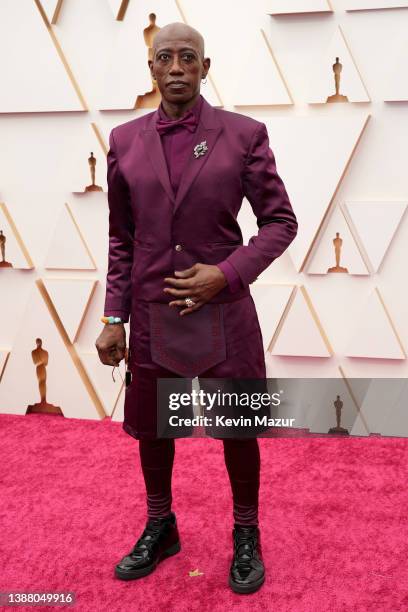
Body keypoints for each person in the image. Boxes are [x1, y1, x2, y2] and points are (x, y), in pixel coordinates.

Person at [95, 22, 298, 594]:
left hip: (224, 313)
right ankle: (161, 527)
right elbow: (121, 238)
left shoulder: (244, 134)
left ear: (205, 69)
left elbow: (281, 222)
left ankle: (246, 534)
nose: (177, 66)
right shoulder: (125, 140)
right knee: (154, 431)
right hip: (153, 314)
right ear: (152, 70)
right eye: (166, 57)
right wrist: (114, 317)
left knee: (238, 430)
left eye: (189, 57)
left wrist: (227, 274)